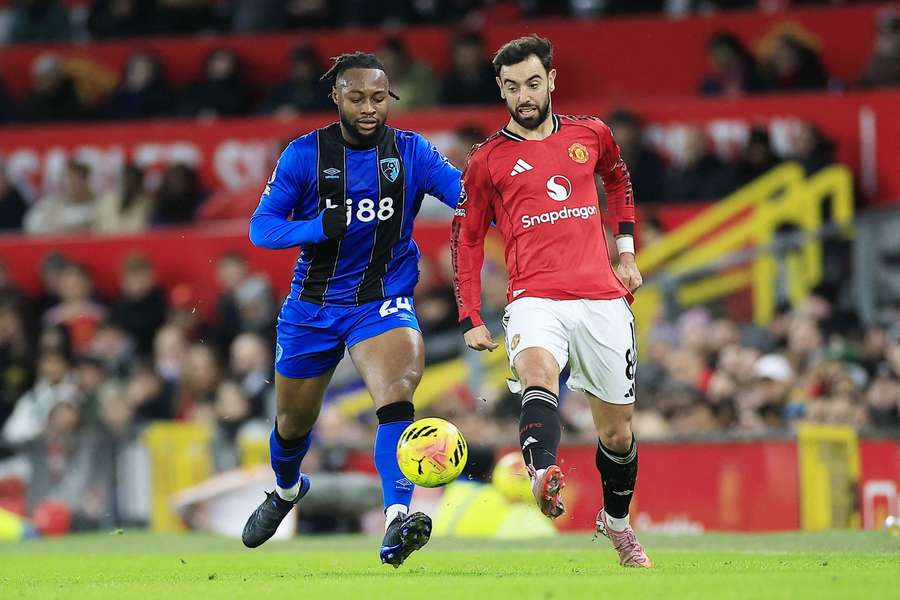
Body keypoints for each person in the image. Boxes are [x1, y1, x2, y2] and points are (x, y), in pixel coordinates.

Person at [243, 51, 461, 567]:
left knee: (397, 397)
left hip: (381, 301)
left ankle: (396, 520)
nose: (369, 107)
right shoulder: (303, 155)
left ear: (391, 99)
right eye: (357, 97)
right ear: (336, 97)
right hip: (312, 307)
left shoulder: (412, 152)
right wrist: (319, 227)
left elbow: (466, 198)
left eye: (379, 98)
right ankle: (287, 490)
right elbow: (262, 227)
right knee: (292, 425)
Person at [450, 35, 651, 568]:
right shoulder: (488, 160)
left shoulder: (592, 134)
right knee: (537, 375)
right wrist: (470, 313)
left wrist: (626, 250)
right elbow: (466, 237)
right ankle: (540, 471)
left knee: (617, 432)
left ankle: (618, 522)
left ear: (552, 81)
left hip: (602, 298)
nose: (524, 95)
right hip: (533, 296)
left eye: (533, 83)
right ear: (500, 89)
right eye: (512, 87)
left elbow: (618, 179)